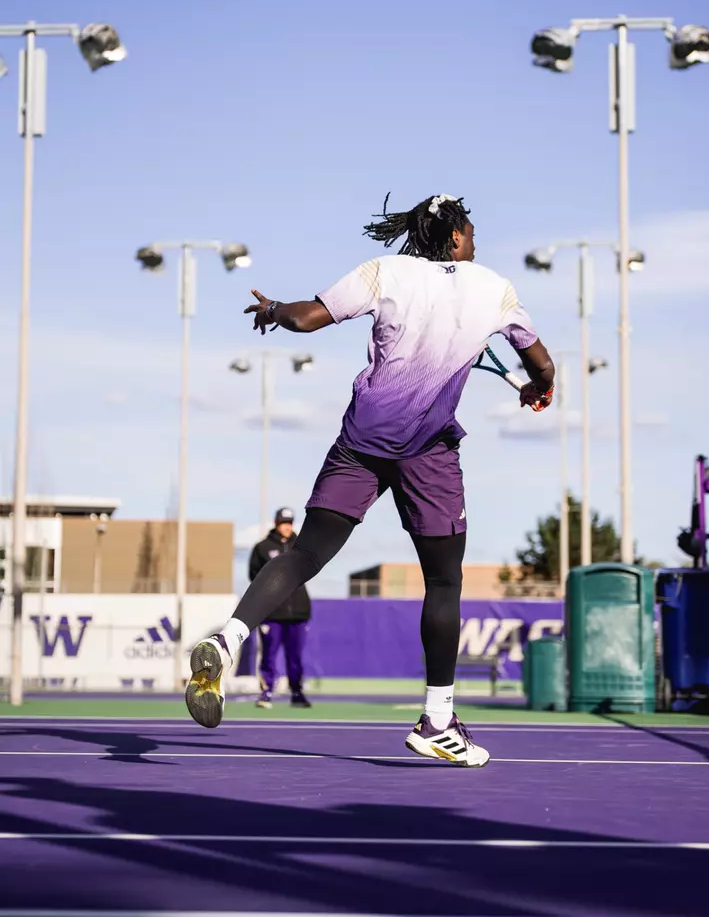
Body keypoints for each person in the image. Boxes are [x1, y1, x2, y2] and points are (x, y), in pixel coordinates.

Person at [185, 193, 554, 767]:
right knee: (443, 581)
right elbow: (542, 363)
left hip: (361, 441)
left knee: (306, 553)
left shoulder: (384, 272)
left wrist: (275, 308)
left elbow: (308, 318)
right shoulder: (494, 288)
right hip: (429, 451)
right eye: (473, 231)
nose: (476, 240)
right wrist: (538, 386)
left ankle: (228, 638)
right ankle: (437, 720)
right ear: (455, 237)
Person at [249, 507, 312, 709]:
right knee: (269, 654)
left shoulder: (301, 546)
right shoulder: (262, 547)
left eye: (290, 522)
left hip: (298, 613)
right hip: (272, 612)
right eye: (284, 522)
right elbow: (254, 576)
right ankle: (266, 692)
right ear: (276, 523)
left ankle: (297, 692)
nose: (287, 526)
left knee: (295, 657)